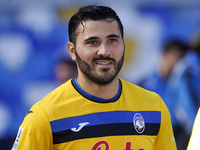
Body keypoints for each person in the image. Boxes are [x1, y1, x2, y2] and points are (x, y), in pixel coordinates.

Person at [11, 5, 177, 150]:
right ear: (72, 50)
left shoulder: (155, 108)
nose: (105, 51)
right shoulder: (44, 116)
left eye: (112, 40)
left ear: (124, 44)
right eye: (92, 42)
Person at [137, 39, 189, 150]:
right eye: (177, 58)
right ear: (164, 55)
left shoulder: (183, 85)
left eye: (183, 61)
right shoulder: (143, 86)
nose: (179, 65)